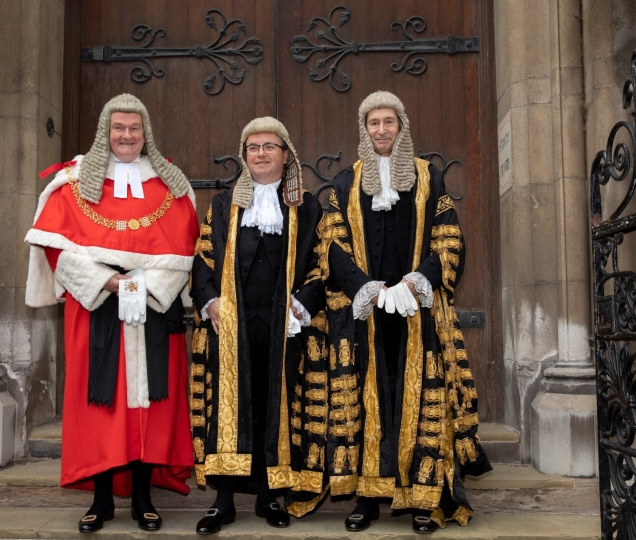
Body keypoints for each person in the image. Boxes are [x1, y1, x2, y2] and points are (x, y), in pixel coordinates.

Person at [319, 91, 492, 534]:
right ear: (365, 128)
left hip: (418, 312)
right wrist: (367, 289)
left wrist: (417, 282)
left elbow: (449, 238)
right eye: (373, 122)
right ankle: (368, 500)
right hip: (367, 315)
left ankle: (424, 498)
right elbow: (332, 247)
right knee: (365, 403)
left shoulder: (428, 178)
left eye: (388, 122)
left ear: (401, 126)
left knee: (420, 403)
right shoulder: (344, 184)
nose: (381, 129)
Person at [24, 93, 198, 533]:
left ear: (146, 134)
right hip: (95, 308)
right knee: (99, 407)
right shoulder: (75, 182)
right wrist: (110, 283)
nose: (126, 136)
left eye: (134, 129)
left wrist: (140, 286)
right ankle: (100, 501)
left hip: (154, 312)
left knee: (148, 407)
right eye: (118, 128)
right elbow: (54, 247)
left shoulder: (169, 183)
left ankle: (143, 499)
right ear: (106, 132)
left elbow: (184, 249)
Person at [189, 117, 328, 534]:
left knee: (274, 404)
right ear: (244, 155)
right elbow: (203, 259)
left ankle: (270, 498)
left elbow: (321, 263)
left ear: (286, 157)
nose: (261, 154)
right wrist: (209, 301)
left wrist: (301, 305)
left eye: (270, 147)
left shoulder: (307, 206)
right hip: (231, 325)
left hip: (283, 326)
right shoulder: (222, 203)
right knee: (230, 405)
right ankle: (223, 501)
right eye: (253, 148)